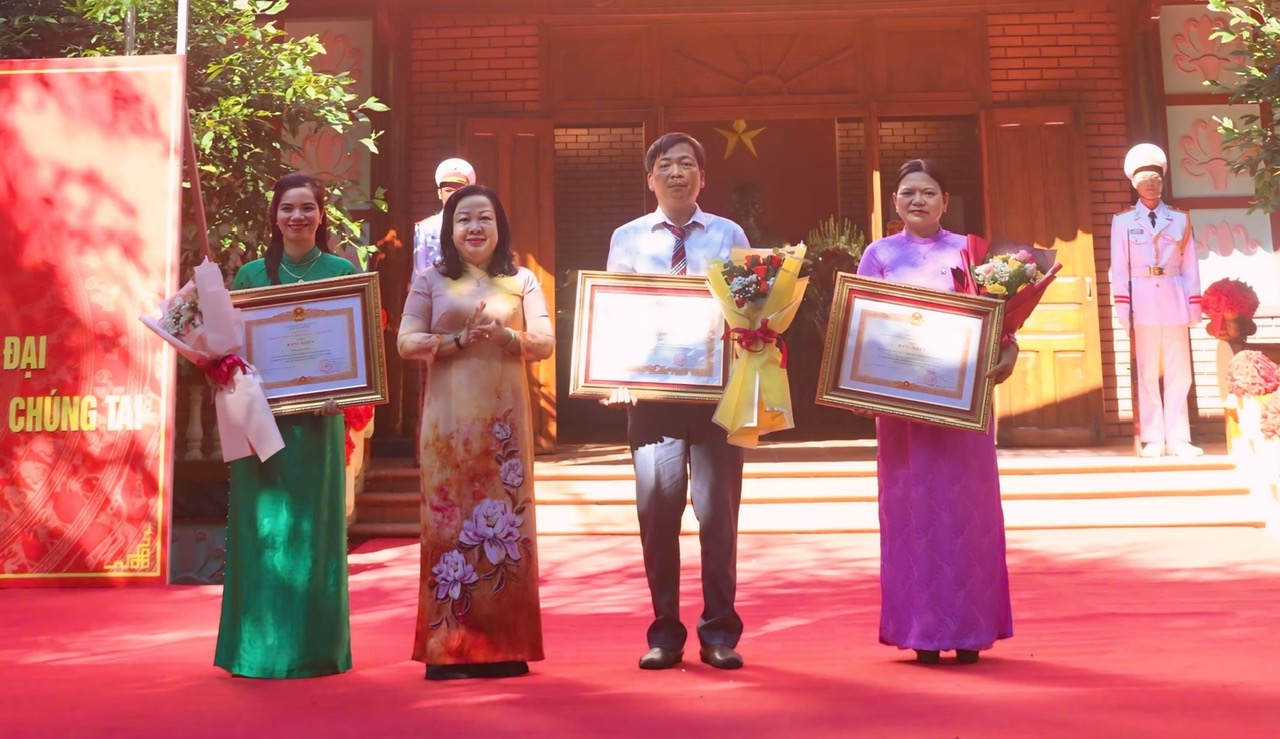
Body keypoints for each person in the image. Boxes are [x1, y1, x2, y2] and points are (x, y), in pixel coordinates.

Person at [856, 159, 1019, 665]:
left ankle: (971, 631)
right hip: (903, 407)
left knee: (969, 514)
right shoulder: (878, 253)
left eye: (928, 192)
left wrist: (1009, 350)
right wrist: (859, 385)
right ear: (895, 203)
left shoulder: (971, 253)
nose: (917, 200)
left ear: (946, 201)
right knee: (912, 514)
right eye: (908, 193)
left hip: (962, 401)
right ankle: (921, 631)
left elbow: (1001, 319)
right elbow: (861, 321)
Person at [603, 132, 750, 671]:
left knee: (718, 516)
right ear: (651, 179)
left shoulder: (729, 233)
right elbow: (614, 309)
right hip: (653, 396)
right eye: (665, 165)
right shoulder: (627, 238)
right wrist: (614, 371)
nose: (676, 172)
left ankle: (719, 632)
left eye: (687, 164)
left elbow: (749, 305)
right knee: (657, 513)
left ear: (702, 177)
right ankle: (665, 632)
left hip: (717, 396)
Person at [397, 184, 554, 680]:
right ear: (450, 230)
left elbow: (546, 342)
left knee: (507, 529)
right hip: (447, 425)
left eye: (484, 218)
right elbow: (405, 342)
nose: (474, 228)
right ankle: (447, 650)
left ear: (499, 227)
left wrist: (506, 336)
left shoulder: (522, 279)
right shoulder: (430, 278)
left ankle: (507, 646)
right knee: (446, 525)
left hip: (504, 427)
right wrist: (458, 340)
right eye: (463, 219)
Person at [216, 172, 357, 678]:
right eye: (287, 208)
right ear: (274, 217)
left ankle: (316, 649)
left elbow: (356, 350)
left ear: (321, 215)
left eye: (307, 208)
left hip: (318, 425)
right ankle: (256, 649)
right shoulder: (252, 276)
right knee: (264, 531)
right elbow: (228, 353)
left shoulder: (343, 270)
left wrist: (339, 393)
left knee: (312, 532)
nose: (297, 216)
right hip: (261, 423)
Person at [1110, 143, 1203, 458]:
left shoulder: (1180, 219)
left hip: (1174, 295)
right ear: (1133, 183)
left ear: (1163, 182)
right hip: (1143, 299)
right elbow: (1119, 268)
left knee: (1179, 369)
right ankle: (1153, 437)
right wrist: (1123, 309)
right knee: (1148, 369)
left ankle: (1178, 437)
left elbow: (1190, 265)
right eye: (1144, 178)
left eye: (1156, 178)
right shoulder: (1122, 222)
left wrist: (1194, 306)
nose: (1150, 184)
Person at [412, 157, 476, 284]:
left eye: (459, 191)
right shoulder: (425, 228)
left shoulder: (475, 227)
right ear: (439, 193)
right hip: (433, 292)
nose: (453, 195)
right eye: (448, 191)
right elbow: (418, 272)